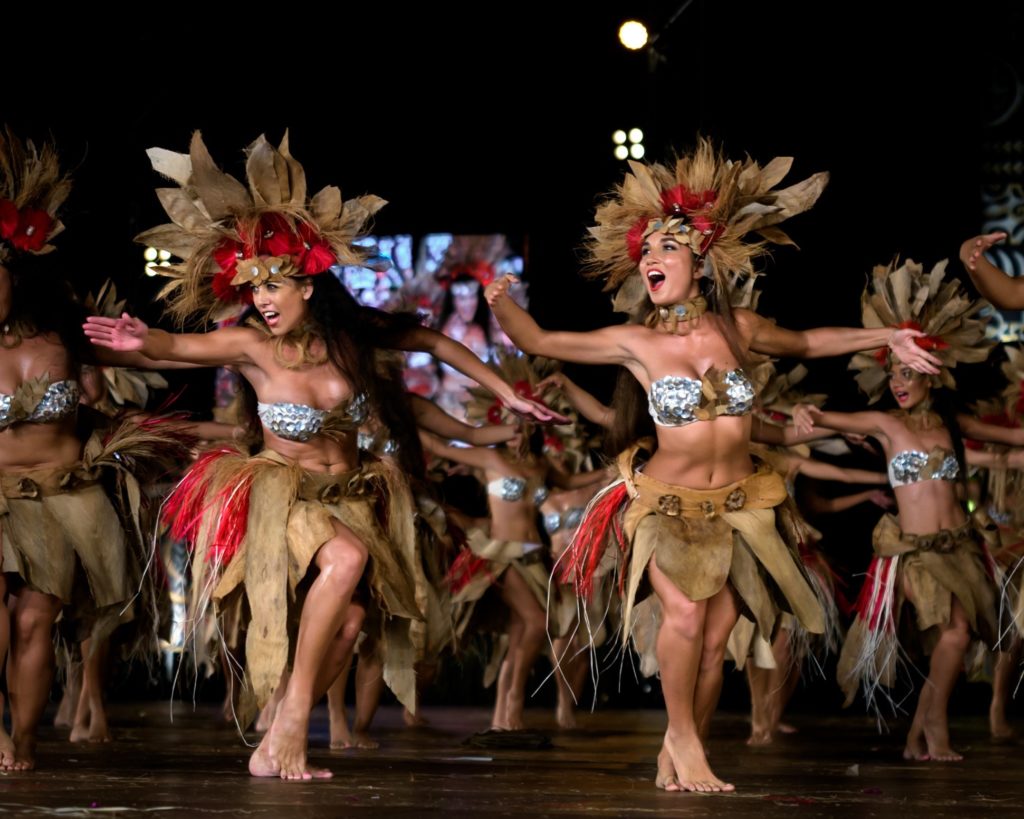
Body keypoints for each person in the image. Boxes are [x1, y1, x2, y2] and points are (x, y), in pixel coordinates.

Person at [84, 132, 561, 781]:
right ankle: (289, 730)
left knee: (354, 618)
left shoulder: (352, 344)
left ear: (309, 284)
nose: (263, 300)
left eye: (276, 284)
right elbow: (176, 349)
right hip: (280, 494)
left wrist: (507, 390)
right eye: (254, 289)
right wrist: (144, 339)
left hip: (350, 499)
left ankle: (282, 724)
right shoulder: (251, 346)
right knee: (348, 558)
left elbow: (433, 342)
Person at [484, 137, 942, 792]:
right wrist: (502, 303)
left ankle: (680, 746)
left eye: (665, 246)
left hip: (735, 507)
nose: (650, 258)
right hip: (664, 506)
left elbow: (812, 340)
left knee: (720, 627)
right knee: (688, 618)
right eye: (644, 250)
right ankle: (687, 742)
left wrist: (887, 335)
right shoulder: (635, 340)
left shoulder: (739, 329)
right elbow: (543, 340)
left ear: (702, 258)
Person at [796, 256, 1024, 761]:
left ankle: (918, 737)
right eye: (892, 372)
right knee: (954, 635)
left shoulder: (951, 424)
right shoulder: (886, 424)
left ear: (931, 372)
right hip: (916, 553)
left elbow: (1009, 437)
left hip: (962, 547)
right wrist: (804, 411)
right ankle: (936, 732)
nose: (898, 381)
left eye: (907, 372)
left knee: (959, 645)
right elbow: (827, 420)